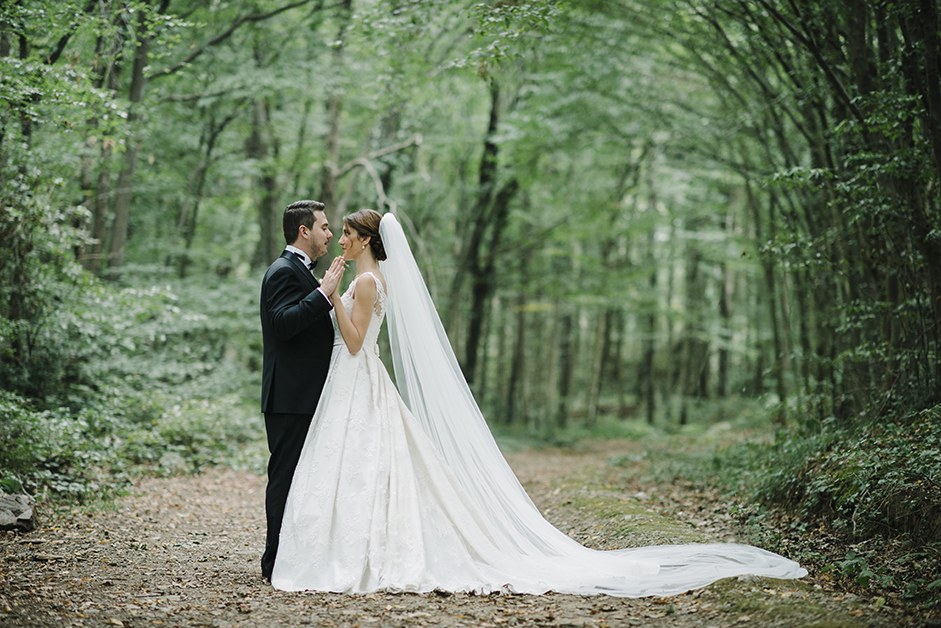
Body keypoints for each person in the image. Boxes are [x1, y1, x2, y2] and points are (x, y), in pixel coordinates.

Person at [271, 209, 807, 595]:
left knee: (363, 463)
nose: (337, 237)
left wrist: (331, 297)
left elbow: (359, 341)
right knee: (363, 465)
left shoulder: (363, 281)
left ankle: (348, 553)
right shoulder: (368, 276)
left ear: (366, 240)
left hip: (359, 376)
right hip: (353, 382)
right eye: (333, 230)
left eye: (345, 231)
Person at [259, 200, 345, 582]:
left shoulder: (301, 271)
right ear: (303, 230)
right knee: (284, 477)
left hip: (305, 395)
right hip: (289, 397)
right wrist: (323, 294)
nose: (330, 234)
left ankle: (295, 557)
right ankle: (274, 562)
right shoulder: (282, 271)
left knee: (302, 477)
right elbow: (282, 324)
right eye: (325, 227)